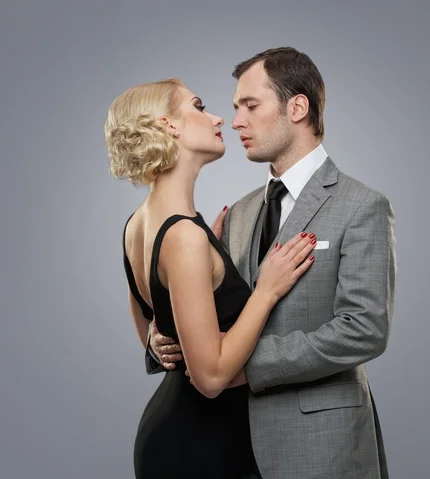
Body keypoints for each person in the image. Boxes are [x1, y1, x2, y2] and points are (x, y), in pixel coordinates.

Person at [147, 48, 398, 478]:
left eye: (250, 105)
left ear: (297, 108)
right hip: (231, 445)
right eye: (235, 108)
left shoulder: (362, 206)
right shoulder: (240, 212)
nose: (236, 121)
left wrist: (249, 367)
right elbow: (220, 314)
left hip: (323, 445)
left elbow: (365, 329)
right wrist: (161, 336)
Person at [105, 77, 317, 478]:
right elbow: (211, 377)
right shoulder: (184, 237)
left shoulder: (138, 224)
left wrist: (206, 258)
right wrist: (266, 291)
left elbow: (155, 330)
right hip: (202, 448)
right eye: (198, 106)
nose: (219, 118)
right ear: (168, 125)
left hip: (175, 435)